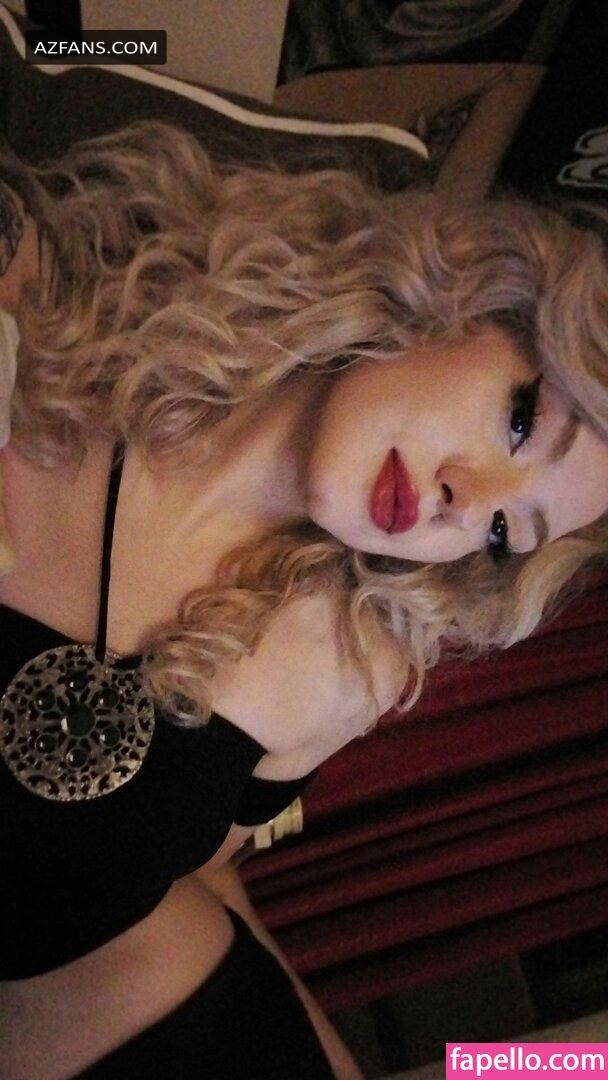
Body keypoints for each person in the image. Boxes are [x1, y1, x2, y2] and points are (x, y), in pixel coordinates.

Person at [1, 120, 607, 1079]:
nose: (467, 502)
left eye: (503, 533)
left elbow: (203, 872)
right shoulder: (40, 296)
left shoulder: (347, 664)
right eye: (522, 422)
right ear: (463, 297)